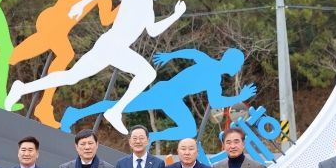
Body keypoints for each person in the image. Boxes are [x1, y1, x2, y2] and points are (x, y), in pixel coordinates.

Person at [5, 0, 186, 135]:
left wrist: (175, 15)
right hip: (111, 45)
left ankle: (23, 88)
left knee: (73, 76)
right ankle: (115, 111)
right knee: (145, 73)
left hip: (116, 48)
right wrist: (81, 4)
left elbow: (153, 31)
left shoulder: (148, 7)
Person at [60, 48, 256, 147]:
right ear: (231, 62)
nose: (238, 69)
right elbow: (216, 102)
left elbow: (194, 53)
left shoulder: (211, 68)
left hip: (171, 98)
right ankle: (74, 114)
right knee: (119, 106)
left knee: (189, 129)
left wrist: (170, 55)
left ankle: (151, 137)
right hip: (165, 94)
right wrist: (240, 96)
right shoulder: (213, 74)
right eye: (238, 65)